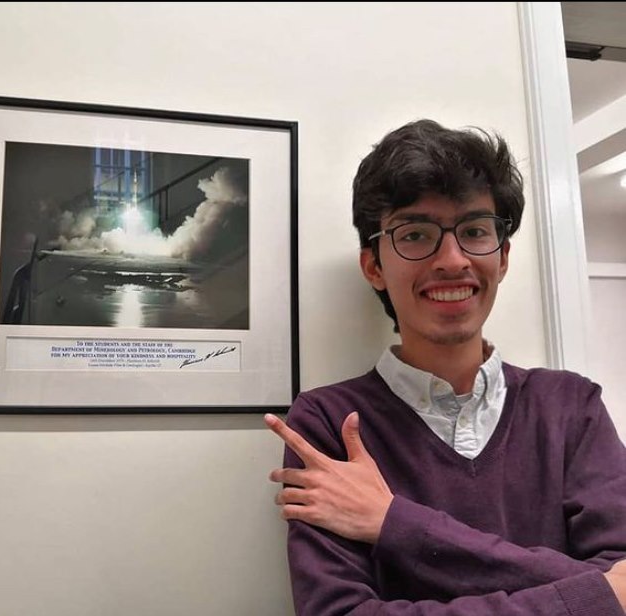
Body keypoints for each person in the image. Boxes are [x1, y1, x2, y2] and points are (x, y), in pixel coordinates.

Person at [264, 119, 626, 615]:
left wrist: (393, 523)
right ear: (373, 266)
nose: (453, 260)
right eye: (416, 235)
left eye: (475, 231)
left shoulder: (570, 406)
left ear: (502, 257)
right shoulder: (329, 422)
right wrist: (594, 595)